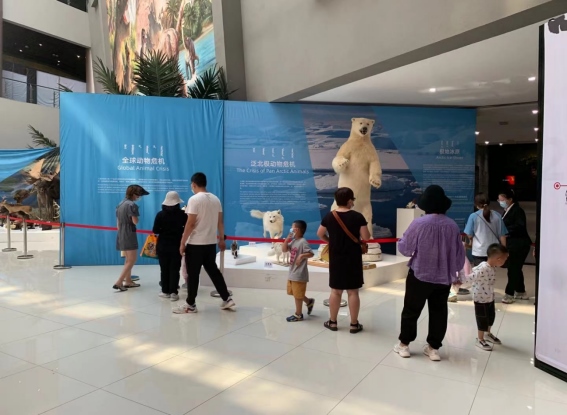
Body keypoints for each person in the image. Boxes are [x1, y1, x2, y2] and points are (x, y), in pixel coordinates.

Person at [394, 185, 465, 361]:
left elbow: (405, 248)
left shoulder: (419, 223)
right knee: (439, 312)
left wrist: (401, 242)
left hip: (419, 274)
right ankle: (433, 348)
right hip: (443, 278)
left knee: (411, 309)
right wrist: (456, 273)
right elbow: (458, 253)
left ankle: (404, 345)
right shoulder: (452, 225)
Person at [173, 172, 236, 313]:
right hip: (210, 243)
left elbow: (190, 224)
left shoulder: (194, 200)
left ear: (194, 184)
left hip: (195, 243)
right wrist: (221, 239)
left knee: (193, 274)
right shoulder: (216, 199)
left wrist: (182, 242)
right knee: (214, 271)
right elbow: (220, 222)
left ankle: (190, 305)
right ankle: (227, 298)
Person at [317, 187, 370, 334]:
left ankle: (333, 322)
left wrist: (330, 241)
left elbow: (320, 233)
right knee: (353, 292)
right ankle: (354, 324)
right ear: (349, 201)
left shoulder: (329, 216)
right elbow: (366, 237)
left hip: (336, 257)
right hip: (353, 257)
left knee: (336, 291)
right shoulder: (358, 217)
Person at [457, 243, 509, 351]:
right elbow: (470, 278)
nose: (505, 261)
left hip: (489, 297)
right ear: (498, 259)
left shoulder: (492, 267)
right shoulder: (483, 268)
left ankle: (487, 333)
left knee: (490, 317)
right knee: (482, 319)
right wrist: (458, 281)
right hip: (480, 299)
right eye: (505, 259)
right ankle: (480, 339)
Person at [498, 190, 532, 304]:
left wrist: (504, 231)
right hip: (512, 244)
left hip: (519, 245)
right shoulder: (507, 210)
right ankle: (521, 291)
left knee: (513, 269)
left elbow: (519, 226)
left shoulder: (517, 210)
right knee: (515, 268)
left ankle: (509, 294)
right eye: (499, 200)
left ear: (510, 199)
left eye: (502, 200)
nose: (500, 202)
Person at [113, 184, 149, 292]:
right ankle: (119, 282)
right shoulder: (132, 205)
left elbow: (118, 224)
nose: (139, 197)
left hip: (121, 233)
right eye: (138, 195)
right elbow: (135, 221)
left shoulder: (120, 204)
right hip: (129, 233)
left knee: (128, 259)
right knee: (132, 259)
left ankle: (128, 281)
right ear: (134, 194)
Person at [152, 191, 187, 301]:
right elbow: (186, 229)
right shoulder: (183, 215)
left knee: (164, 269)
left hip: (163, 245)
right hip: (177, 245)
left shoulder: (160, 215)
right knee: (175, 269)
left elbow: (155, 230)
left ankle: (165, 291)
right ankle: (173, 292)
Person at [282, 220, 315, 322]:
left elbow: (311, 253)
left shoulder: (303, 242)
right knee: (294, 292)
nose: (291, 229)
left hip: (299, 273)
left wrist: (302, 256)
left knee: (297, 295)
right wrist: (287, 240)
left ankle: (298, 314)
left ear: (297, 230)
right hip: (292, 271)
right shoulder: (294, 241)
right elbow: (284, 249)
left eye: (292, 228)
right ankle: (309, 302)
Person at [464, 193, 508, 266]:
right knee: (491, 272)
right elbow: (502, 235)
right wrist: (504, 250)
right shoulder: (497, 215)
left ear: (476, 204)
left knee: (480, 272)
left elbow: (469, 235)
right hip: (494, 251)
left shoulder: (473, 216)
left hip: (479, 251)